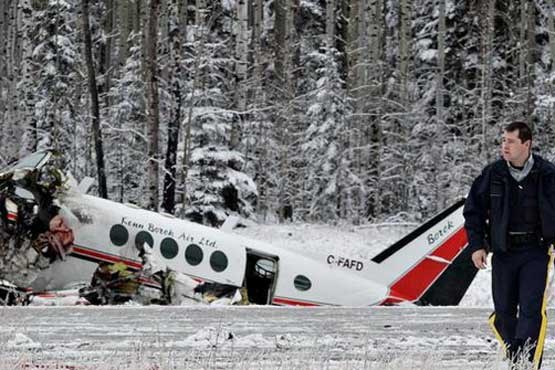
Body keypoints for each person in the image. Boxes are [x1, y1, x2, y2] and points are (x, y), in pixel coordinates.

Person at [464, 121, 555, 369]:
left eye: (511, 141)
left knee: (531, 310)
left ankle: (526, 363)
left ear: (527, 144)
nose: (505, 145)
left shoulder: (547, 174)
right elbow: (473, 212)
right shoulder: (493, 174)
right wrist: (477, 246)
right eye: (503, 140)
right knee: (503, 313)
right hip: (504, 252)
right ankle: (515, 355)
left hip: (536, 252)